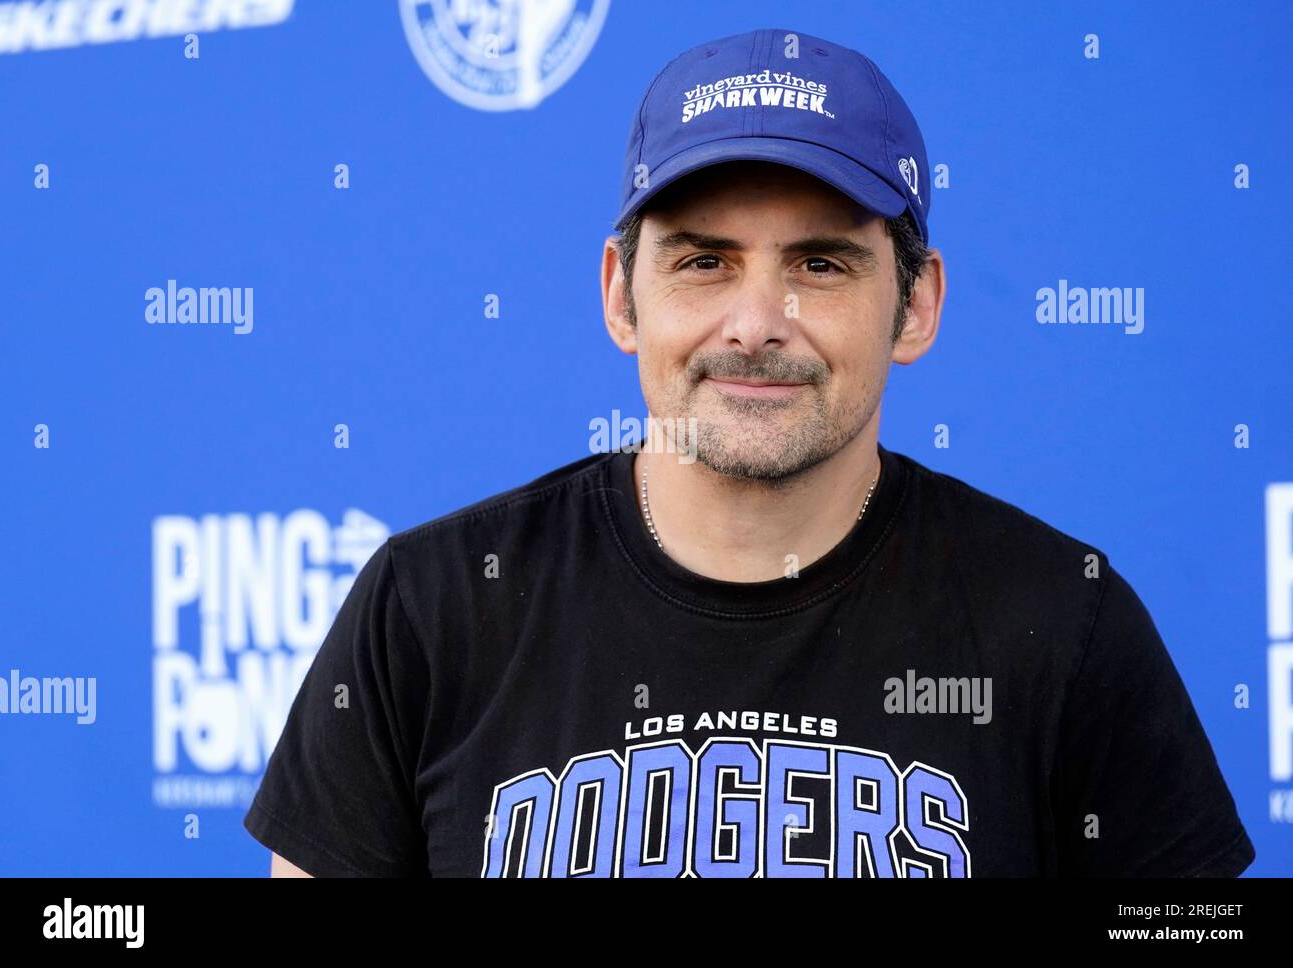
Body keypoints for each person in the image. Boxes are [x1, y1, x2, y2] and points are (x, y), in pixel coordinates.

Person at [243, 27, 1255, 878]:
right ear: (617, 293)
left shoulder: (1060, 620)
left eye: (820, 261)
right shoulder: (430, 606)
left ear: (916, 304)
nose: (756, 321)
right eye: (701, 261)